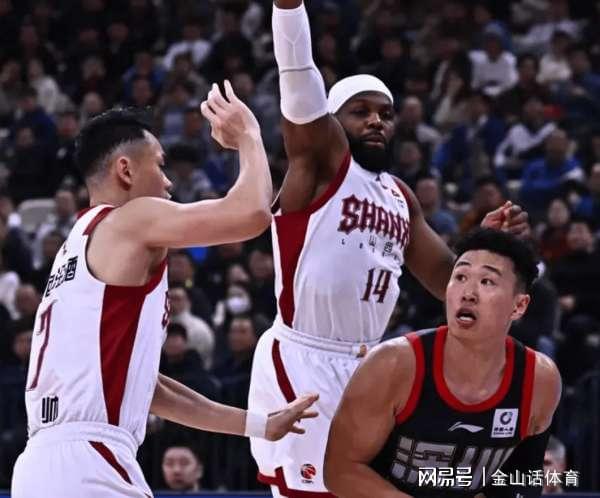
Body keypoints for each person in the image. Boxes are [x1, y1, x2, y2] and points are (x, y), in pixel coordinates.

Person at [248, 3, 530, 497]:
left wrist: (486, 244)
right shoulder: (320, 167)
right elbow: (297, 74)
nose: (376, 121)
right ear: (332, 121)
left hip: (371, 363)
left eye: (385, 113)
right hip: (306, 356)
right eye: (360, 112)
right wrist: (288, 9)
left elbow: (445, 279)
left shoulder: (401, 197)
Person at [11, 82, 318, 498]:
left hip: (41, 467)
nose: (169, 182)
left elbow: (146, 387)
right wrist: (248, 135)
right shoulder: (130, 220)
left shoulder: (77, 243)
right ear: (125, 170)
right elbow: (251, 214)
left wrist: (258, 425)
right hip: (89, 462)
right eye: (159, 165)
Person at [324, 229, 562, 498]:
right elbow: (340, 471)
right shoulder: (393, 364)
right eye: (460, 277)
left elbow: (523, 479)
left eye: (487, 282)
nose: (468, 293)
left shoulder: (539, 379)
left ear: (518, 306)